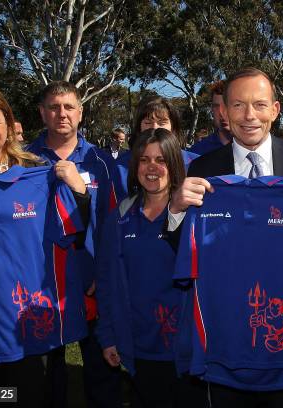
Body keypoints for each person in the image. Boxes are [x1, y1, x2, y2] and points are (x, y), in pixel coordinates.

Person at [168, 67, 283, 407]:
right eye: (238, 105)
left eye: (259, 105)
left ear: (275, 110)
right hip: (226, 335)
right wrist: (177, 209)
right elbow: (184, 250)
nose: (249, 115)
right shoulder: (203, 168)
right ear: (223, 112)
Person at [0, 82, 88, 407]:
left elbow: (76, 236)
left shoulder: (40, 181)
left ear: (9, 126)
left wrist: (80, 195)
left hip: (28, 341)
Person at [95, 128, 207, 407]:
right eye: (144, 160)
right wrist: (108, 336)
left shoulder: (196, 214)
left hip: (187, 349)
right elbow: (106, 282)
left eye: (161, 160)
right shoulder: (120, 217)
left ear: (175, 164)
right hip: (139, 345)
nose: (152, 168)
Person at [27, 81, 120, 408]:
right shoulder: (25, 160)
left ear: (80, 112)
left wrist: (102, 273)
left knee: (99, 370)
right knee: (46, 375)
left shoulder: (102, 161)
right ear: (43, 112)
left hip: (91, 281)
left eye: (69, 107)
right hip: (42, 282)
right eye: (54, 107)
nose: (61, 114)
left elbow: (112, 223)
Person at [114, 96, 198, 202]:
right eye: (148, 123)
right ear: (138, 128)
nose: (155, 128)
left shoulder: (196, 164)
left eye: (162, 123)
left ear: (173, 128)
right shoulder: (121, 166)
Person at [189, 80, 232, 155]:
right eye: (216, 107)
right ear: (211, 110)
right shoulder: (196, 153)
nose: (221, 113)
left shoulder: (254, 148)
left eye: (227, 106)